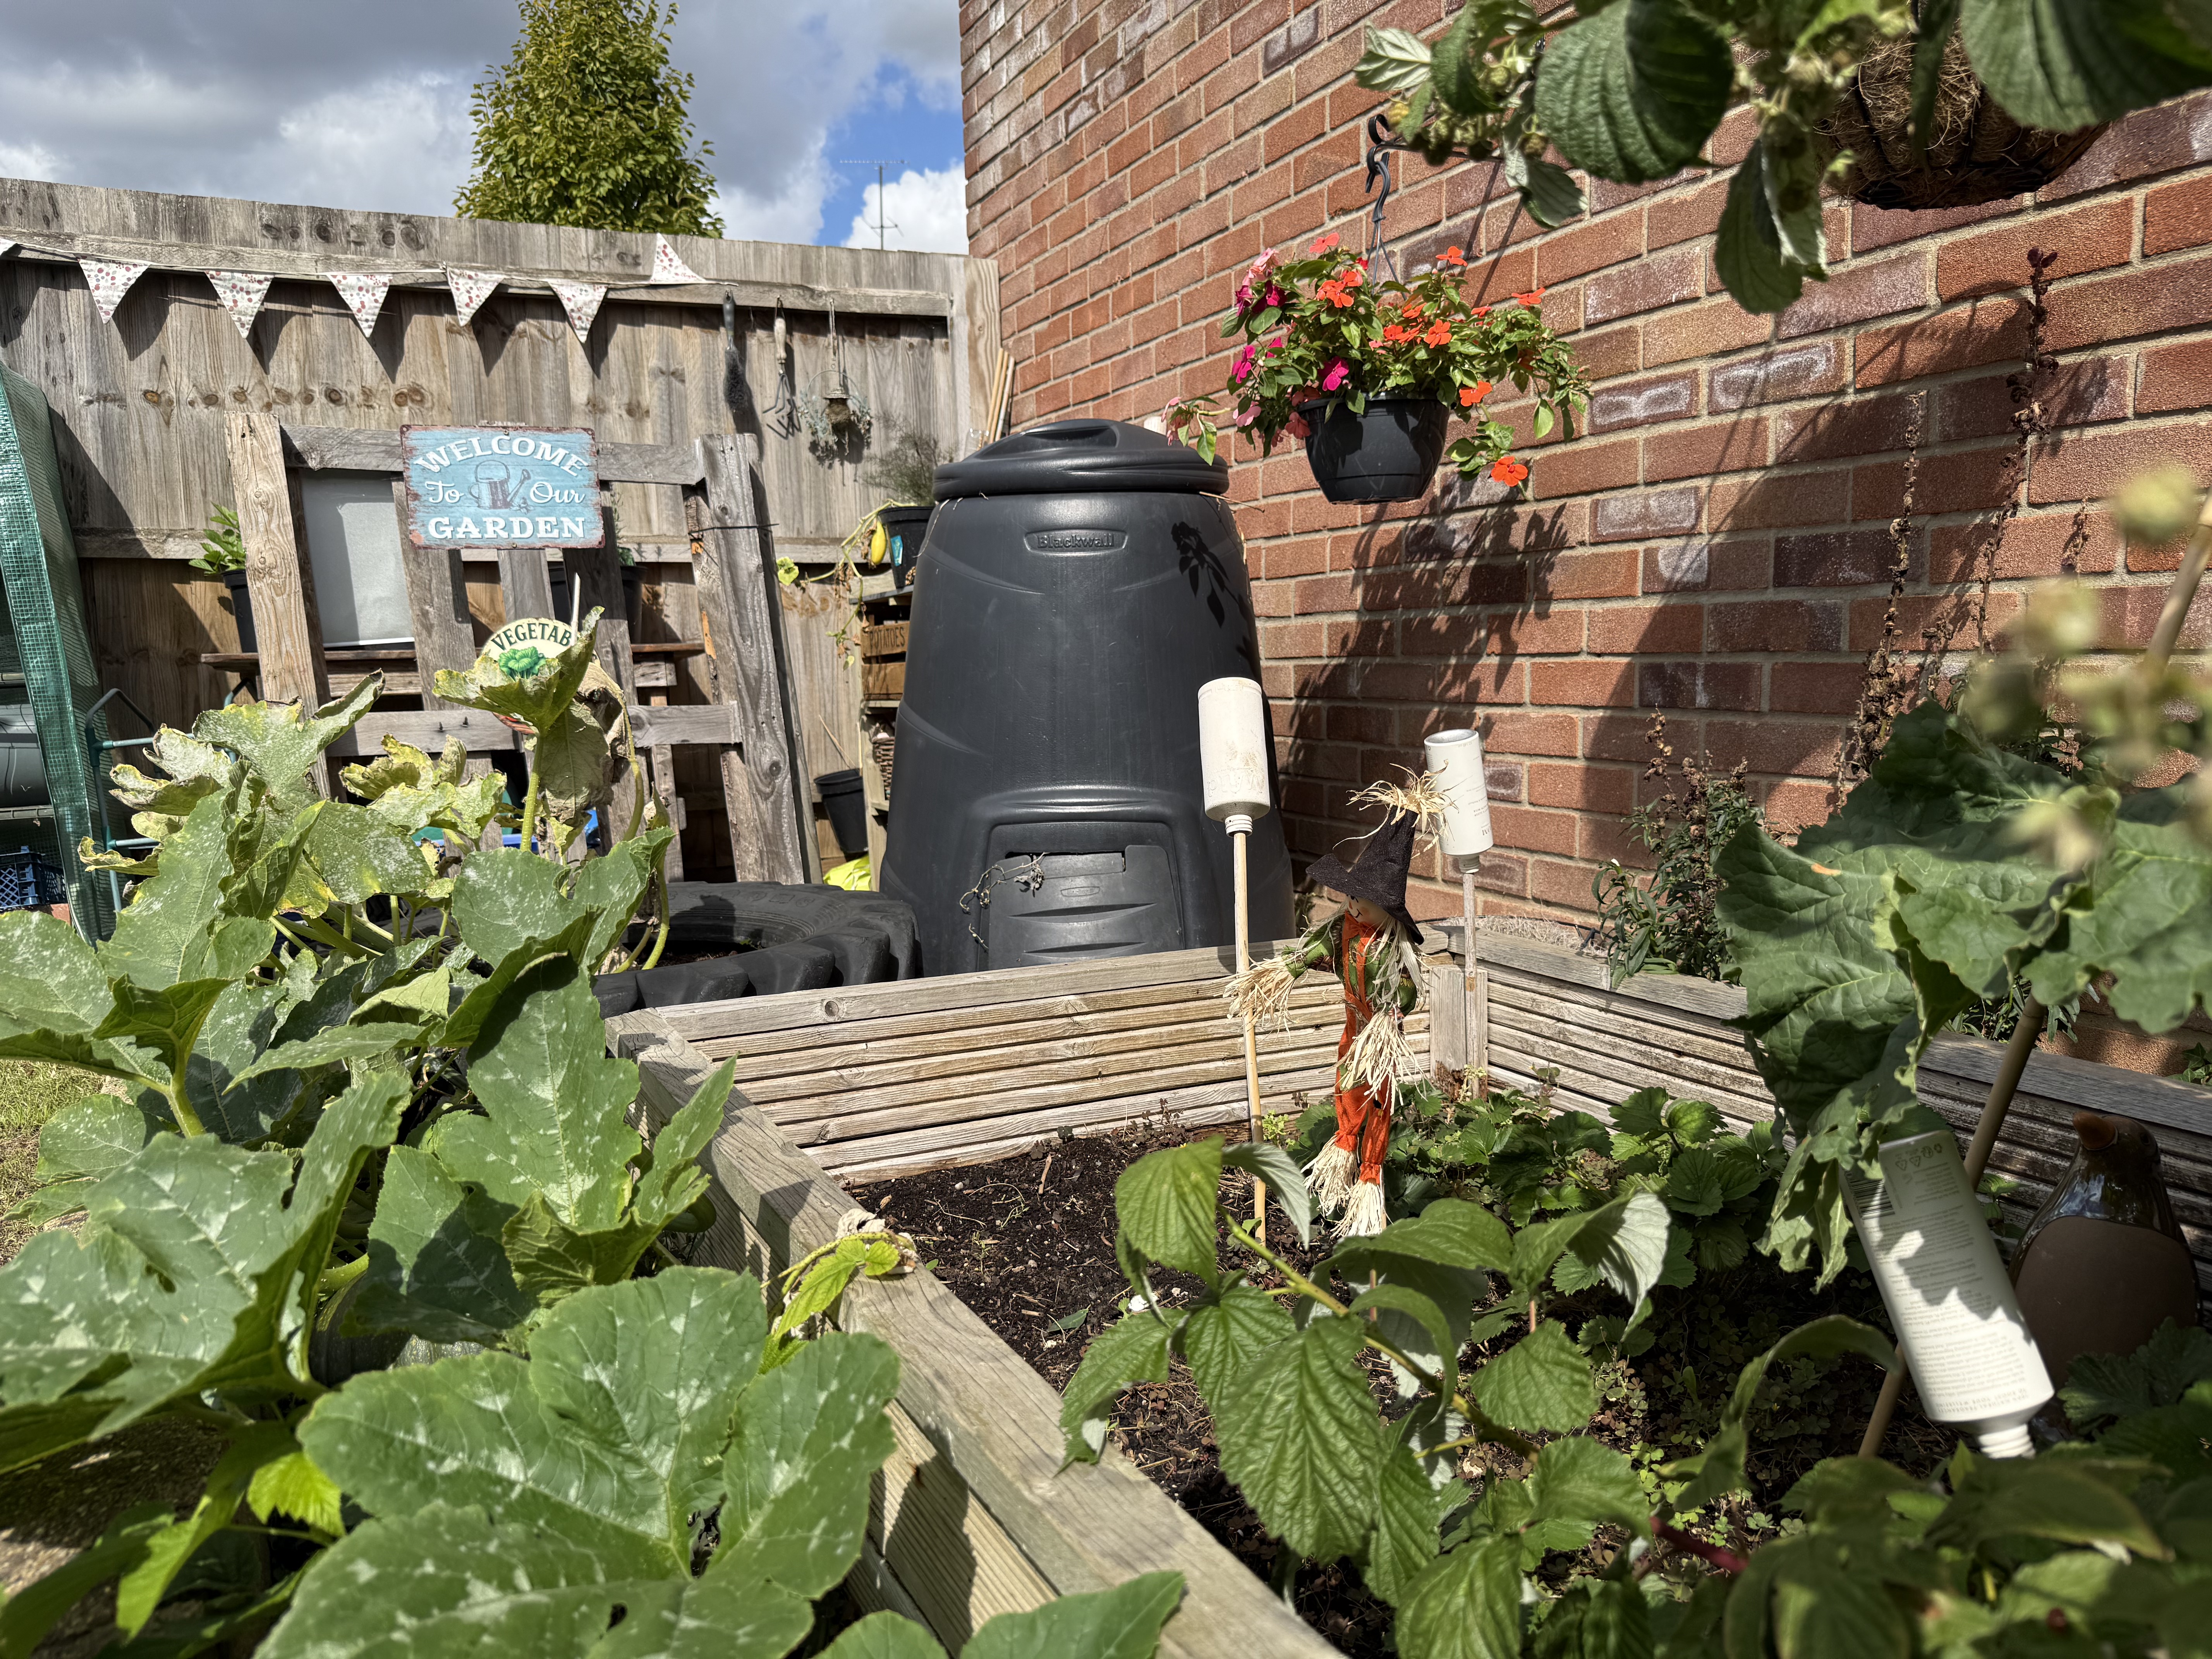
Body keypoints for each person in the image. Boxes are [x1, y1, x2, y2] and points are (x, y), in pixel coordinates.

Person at [1224, 776, 1439, 1235]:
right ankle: (1343, 1150)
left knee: (1378, 1098)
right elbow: (1316, 950)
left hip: (1378, 1037)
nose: (1355, 907)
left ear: (1391, 911)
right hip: (1353, 1027)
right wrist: (1285, 971)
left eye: (1366, 901)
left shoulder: (1392, 949)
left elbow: (1407, 992)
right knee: (1345, 1084)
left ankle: (1369, 1180)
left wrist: (1391, 1015)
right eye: (1352, 896)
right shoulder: (1343, 929)